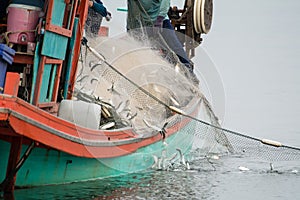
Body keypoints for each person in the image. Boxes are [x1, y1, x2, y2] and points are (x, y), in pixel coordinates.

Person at [127, 0, 194, 74]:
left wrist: (159, 19)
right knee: (139, 53)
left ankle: (190, 73)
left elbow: (165, 2)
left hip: (160, 21)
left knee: (175, 47)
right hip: (137, 24)